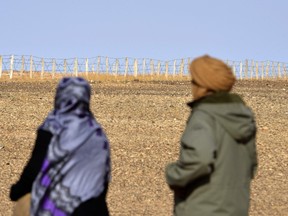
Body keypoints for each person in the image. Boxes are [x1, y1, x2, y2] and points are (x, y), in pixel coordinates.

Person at [165, 55, 258, 216]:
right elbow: (252, 166)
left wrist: (174, 174)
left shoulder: (204, 115)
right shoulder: (243, 116)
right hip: (237, 208)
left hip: (203, 208)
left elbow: (200, 160)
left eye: (194, 81)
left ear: (203, 85)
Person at [10, 77, 111, 216]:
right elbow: (102, 181)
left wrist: (17, 191)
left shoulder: (53, 127)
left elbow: (35, 167)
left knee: (24, 204)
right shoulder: (97, 134)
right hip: (94, 210)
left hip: (58, 210)